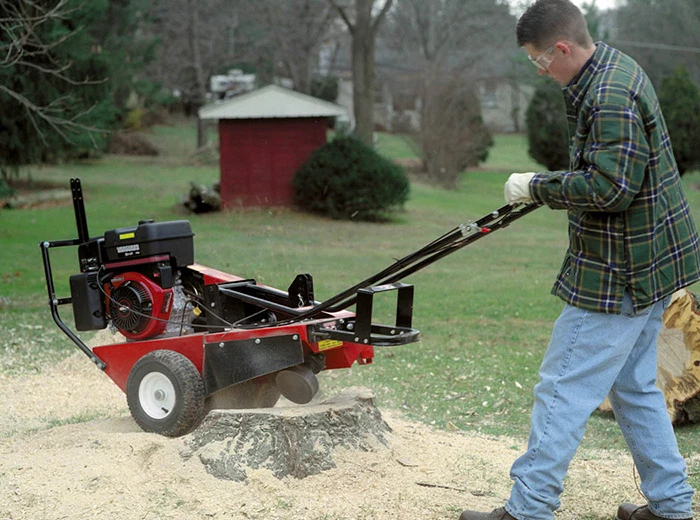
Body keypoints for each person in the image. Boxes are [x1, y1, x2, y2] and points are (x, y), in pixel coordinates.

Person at [459, 1, 700, 519]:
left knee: (562, 389)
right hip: (650, 263)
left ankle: (529, 509)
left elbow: (611, 188)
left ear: (562, 48)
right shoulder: (613, 67)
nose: (541, 72)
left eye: (539, 61)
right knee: (634, 386)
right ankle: (673, 507)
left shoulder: (610, 93)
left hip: (622, 272)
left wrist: (537, 186)